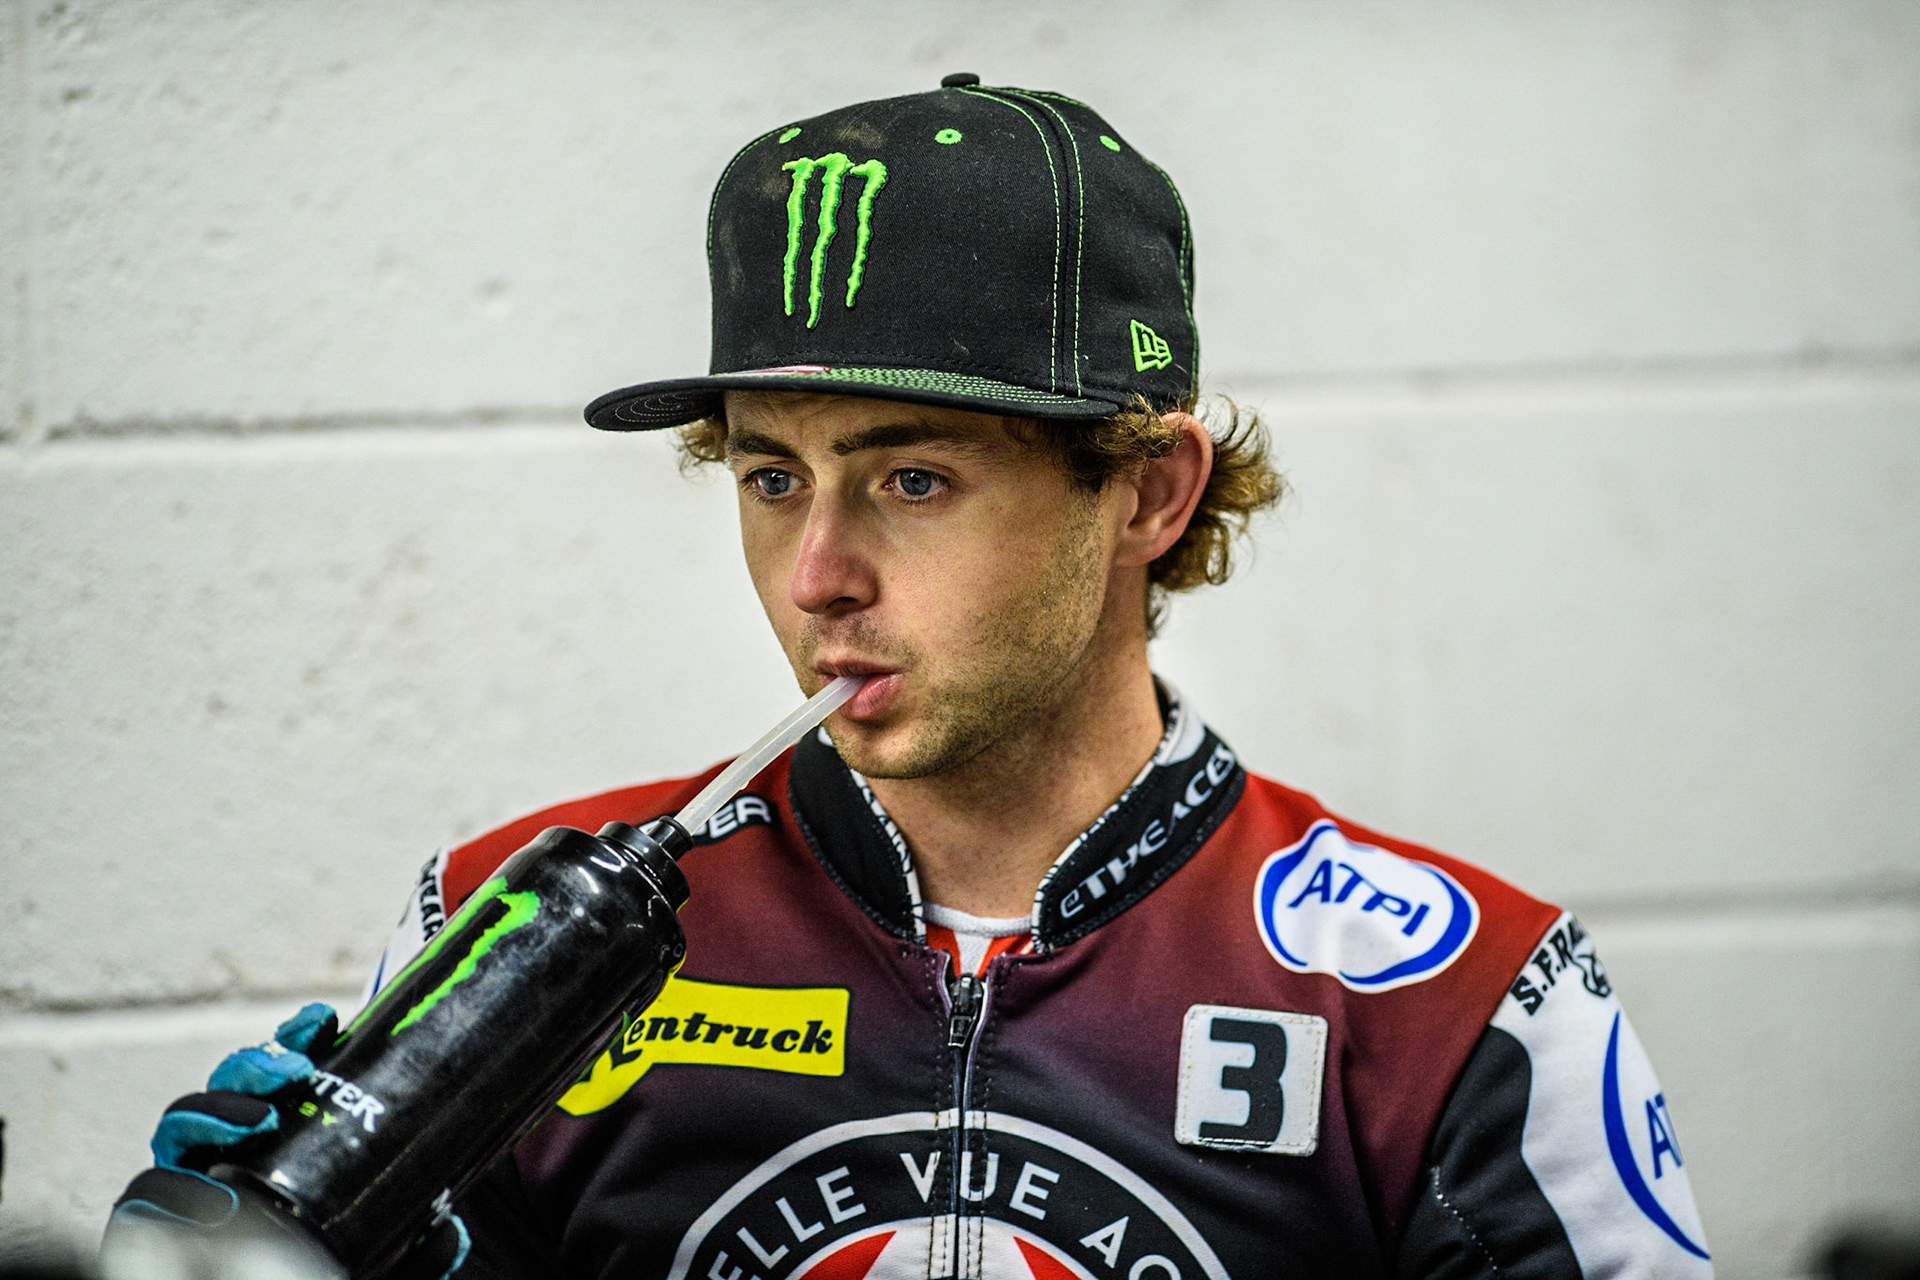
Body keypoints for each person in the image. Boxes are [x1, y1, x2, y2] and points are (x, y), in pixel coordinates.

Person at [106, 76, 1713, 1279]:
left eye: (913, 478)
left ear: (1149, 492)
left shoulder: (1455, 999)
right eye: (769, 477)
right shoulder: (507, 921)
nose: (818, 574)